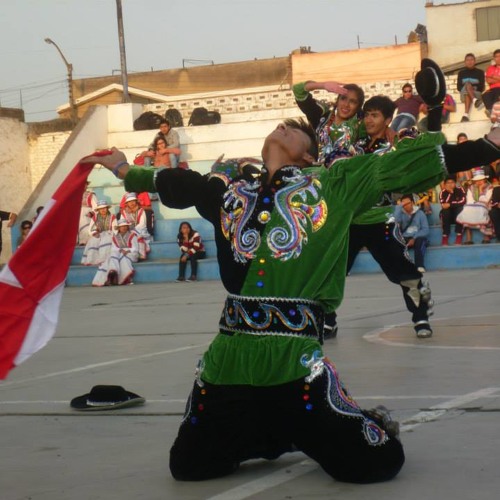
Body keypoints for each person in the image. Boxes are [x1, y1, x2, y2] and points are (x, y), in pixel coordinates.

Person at [84, 59, 500, 483]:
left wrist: (484, 140)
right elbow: (177, 184)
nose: (283, 128)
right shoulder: (231, 192)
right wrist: (121, 168)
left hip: (295, 363)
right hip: (228, 359)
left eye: (295, 129)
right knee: (189, 467)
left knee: (376, 463)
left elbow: (409, 164)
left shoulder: (333, 184)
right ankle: (271, 435)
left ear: (308, 153)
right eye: (280, 125)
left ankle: (318, 425)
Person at [344, 95, 434, 338]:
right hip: (350, 220)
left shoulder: (398, 145)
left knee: (405, 271)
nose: (368, 120)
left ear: (387, 119)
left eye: (375, 115)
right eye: (366, 115)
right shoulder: (353, 143)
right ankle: (328, 321)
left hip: (381, 221)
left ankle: (421, 317)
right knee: (332, 271)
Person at [293, 80, 365, 167]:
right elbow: (298, 90)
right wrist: (323, 85)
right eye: (343, 98)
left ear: (358, 107)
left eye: (353, 102)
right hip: (317, 172)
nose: (346, 104)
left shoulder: (361, 124)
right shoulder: (321, 115)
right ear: (337, 100)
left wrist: (386, 129)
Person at [92, 219, 139, 286]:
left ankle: (125, 278)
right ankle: (112, 271)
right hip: (120, 252)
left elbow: (135, 247)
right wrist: (120, 250)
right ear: (119, 228)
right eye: (122, 226)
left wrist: (127, 251)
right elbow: (114, 248)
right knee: (112, 255)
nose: (124, 227)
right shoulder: (115, 237)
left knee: (123, 259)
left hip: (131, 253)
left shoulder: (132, 235)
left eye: (125, 226)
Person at [457, 167, 494, 244]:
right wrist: (477, 205)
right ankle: (468, 237)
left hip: (487, 207)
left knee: (485, 211)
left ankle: (486, 235)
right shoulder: (471, 187)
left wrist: (481, 191)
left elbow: (485, 201)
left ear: (484, 179)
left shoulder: (490, 187)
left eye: (481, 180)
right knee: (466, 210)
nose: (479, 182)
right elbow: (469, 200)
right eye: (477, 180)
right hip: (474, 207)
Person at [394, 195, 429, 273]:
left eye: (408, 203)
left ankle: (419, 266)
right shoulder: (401, 213)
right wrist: (399, 207)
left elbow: (425, 230)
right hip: (405, 237)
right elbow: (396, 221)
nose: (406, 205)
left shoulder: (420, 213)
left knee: (420, 241)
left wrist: (414, 238)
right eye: (404, 204)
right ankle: (401, 268)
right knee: (396, 244)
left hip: (418, 237)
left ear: (412, 203)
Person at [81, 200, 117, 266]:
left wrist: (111, 233)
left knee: (106, 240)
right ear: (98, 210)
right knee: (93, 241)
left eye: (104, 208)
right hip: (98, 234)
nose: (103, 210)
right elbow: (90, 230)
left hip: (109, 233)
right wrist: (95, 232)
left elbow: (115, 229)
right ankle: (92, 260)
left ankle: (104, 259)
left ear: (107, 208)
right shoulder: (94, 217)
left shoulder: (112, 217)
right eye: (101, 209)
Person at [120, 192, 151, 259]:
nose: (132, 203)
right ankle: (132, 255)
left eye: (133, 201)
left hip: (139, 229)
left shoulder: (141, 210)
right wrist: (128, 229)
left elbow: (142, 224)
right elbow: (122, 223)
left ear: (136, 201)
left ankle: (141, 254)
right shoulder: (124, 212)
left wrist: (133, 230)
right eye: (129, 201)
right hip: (127, 230)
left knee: (137, 236)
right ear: (126, 203)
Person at [457, 53, 485, 122]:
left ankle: (466, 115)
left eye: (471, 60)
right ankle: (475, 101)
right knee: (467, 85)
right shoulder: (461, 73)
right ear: (465, 62)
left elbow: (481, 87)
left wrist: (472, 88)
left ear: (475, 61)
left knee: (467, 91)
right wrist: (468, 86)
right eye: (467, 60)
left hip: (476, 93)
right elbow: (458, 87)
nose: (470, 62)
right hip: (463, 93)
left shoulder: (480, 72)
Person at [439, 177, 466, 245]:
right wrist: (450, 193)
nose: (450, 184)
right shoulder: (442, 192)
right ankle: (445, 235)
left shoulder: (460, 189)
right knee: (445, 211)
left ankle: (459, 234)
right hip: (448, 217)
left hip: (458, 215)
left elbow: (462, 201)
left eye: (452, 182)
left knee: (460, 209)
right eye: (448, 183)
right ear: (445, 184)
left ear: (455, 183)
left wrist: (450, 204)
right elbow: (444, 205)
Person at [78, 181, 98, 245]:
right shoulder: (74, 195)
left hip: (87, 217)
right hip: (77, 217)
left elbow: (96, 208)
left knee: (86, 232)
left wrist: (91, 213)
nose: (84, 186)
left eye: (85, 184)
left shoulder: (91, 195)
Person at [482, 49, 500, 116]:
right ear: (494, 58)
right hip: (493, 89)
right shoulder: (490, 68)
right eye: (496, 57)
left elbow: (491, 79)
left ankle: (493, 113)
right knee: (485, 95)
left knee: (497, 95)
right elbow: (488, 80)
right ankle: (490, 110)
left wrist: (494, 76)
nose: (498, 58)